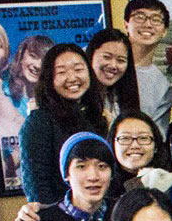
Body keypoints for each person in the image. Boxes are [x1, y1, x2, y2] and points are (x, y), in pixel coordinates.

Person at [20, 43, 108, 205]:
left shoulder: (97, 118)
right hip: (61, 220)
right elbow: (38, 188)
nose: (72, 77)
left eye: (78, 69)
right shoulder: (39, 121)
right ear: (49, 79)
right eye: (62, 72)